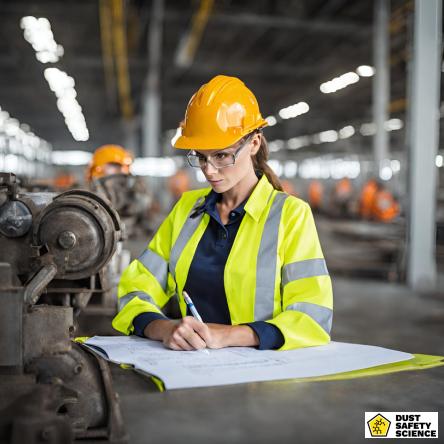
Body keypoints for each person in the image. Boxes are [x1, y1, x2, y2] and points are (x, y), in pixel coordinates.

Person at [112, 75, 333, 351]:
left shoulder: (291, 215)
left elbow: (313, 317)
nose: (209, 170)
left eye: (221, 156)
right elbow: (136, 288)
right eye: (201, 157)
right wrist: (164, 327)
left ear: (254, 143)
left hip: (264, 377)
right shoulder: (186, 210)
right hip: (189, 370)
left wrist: (228, 335)